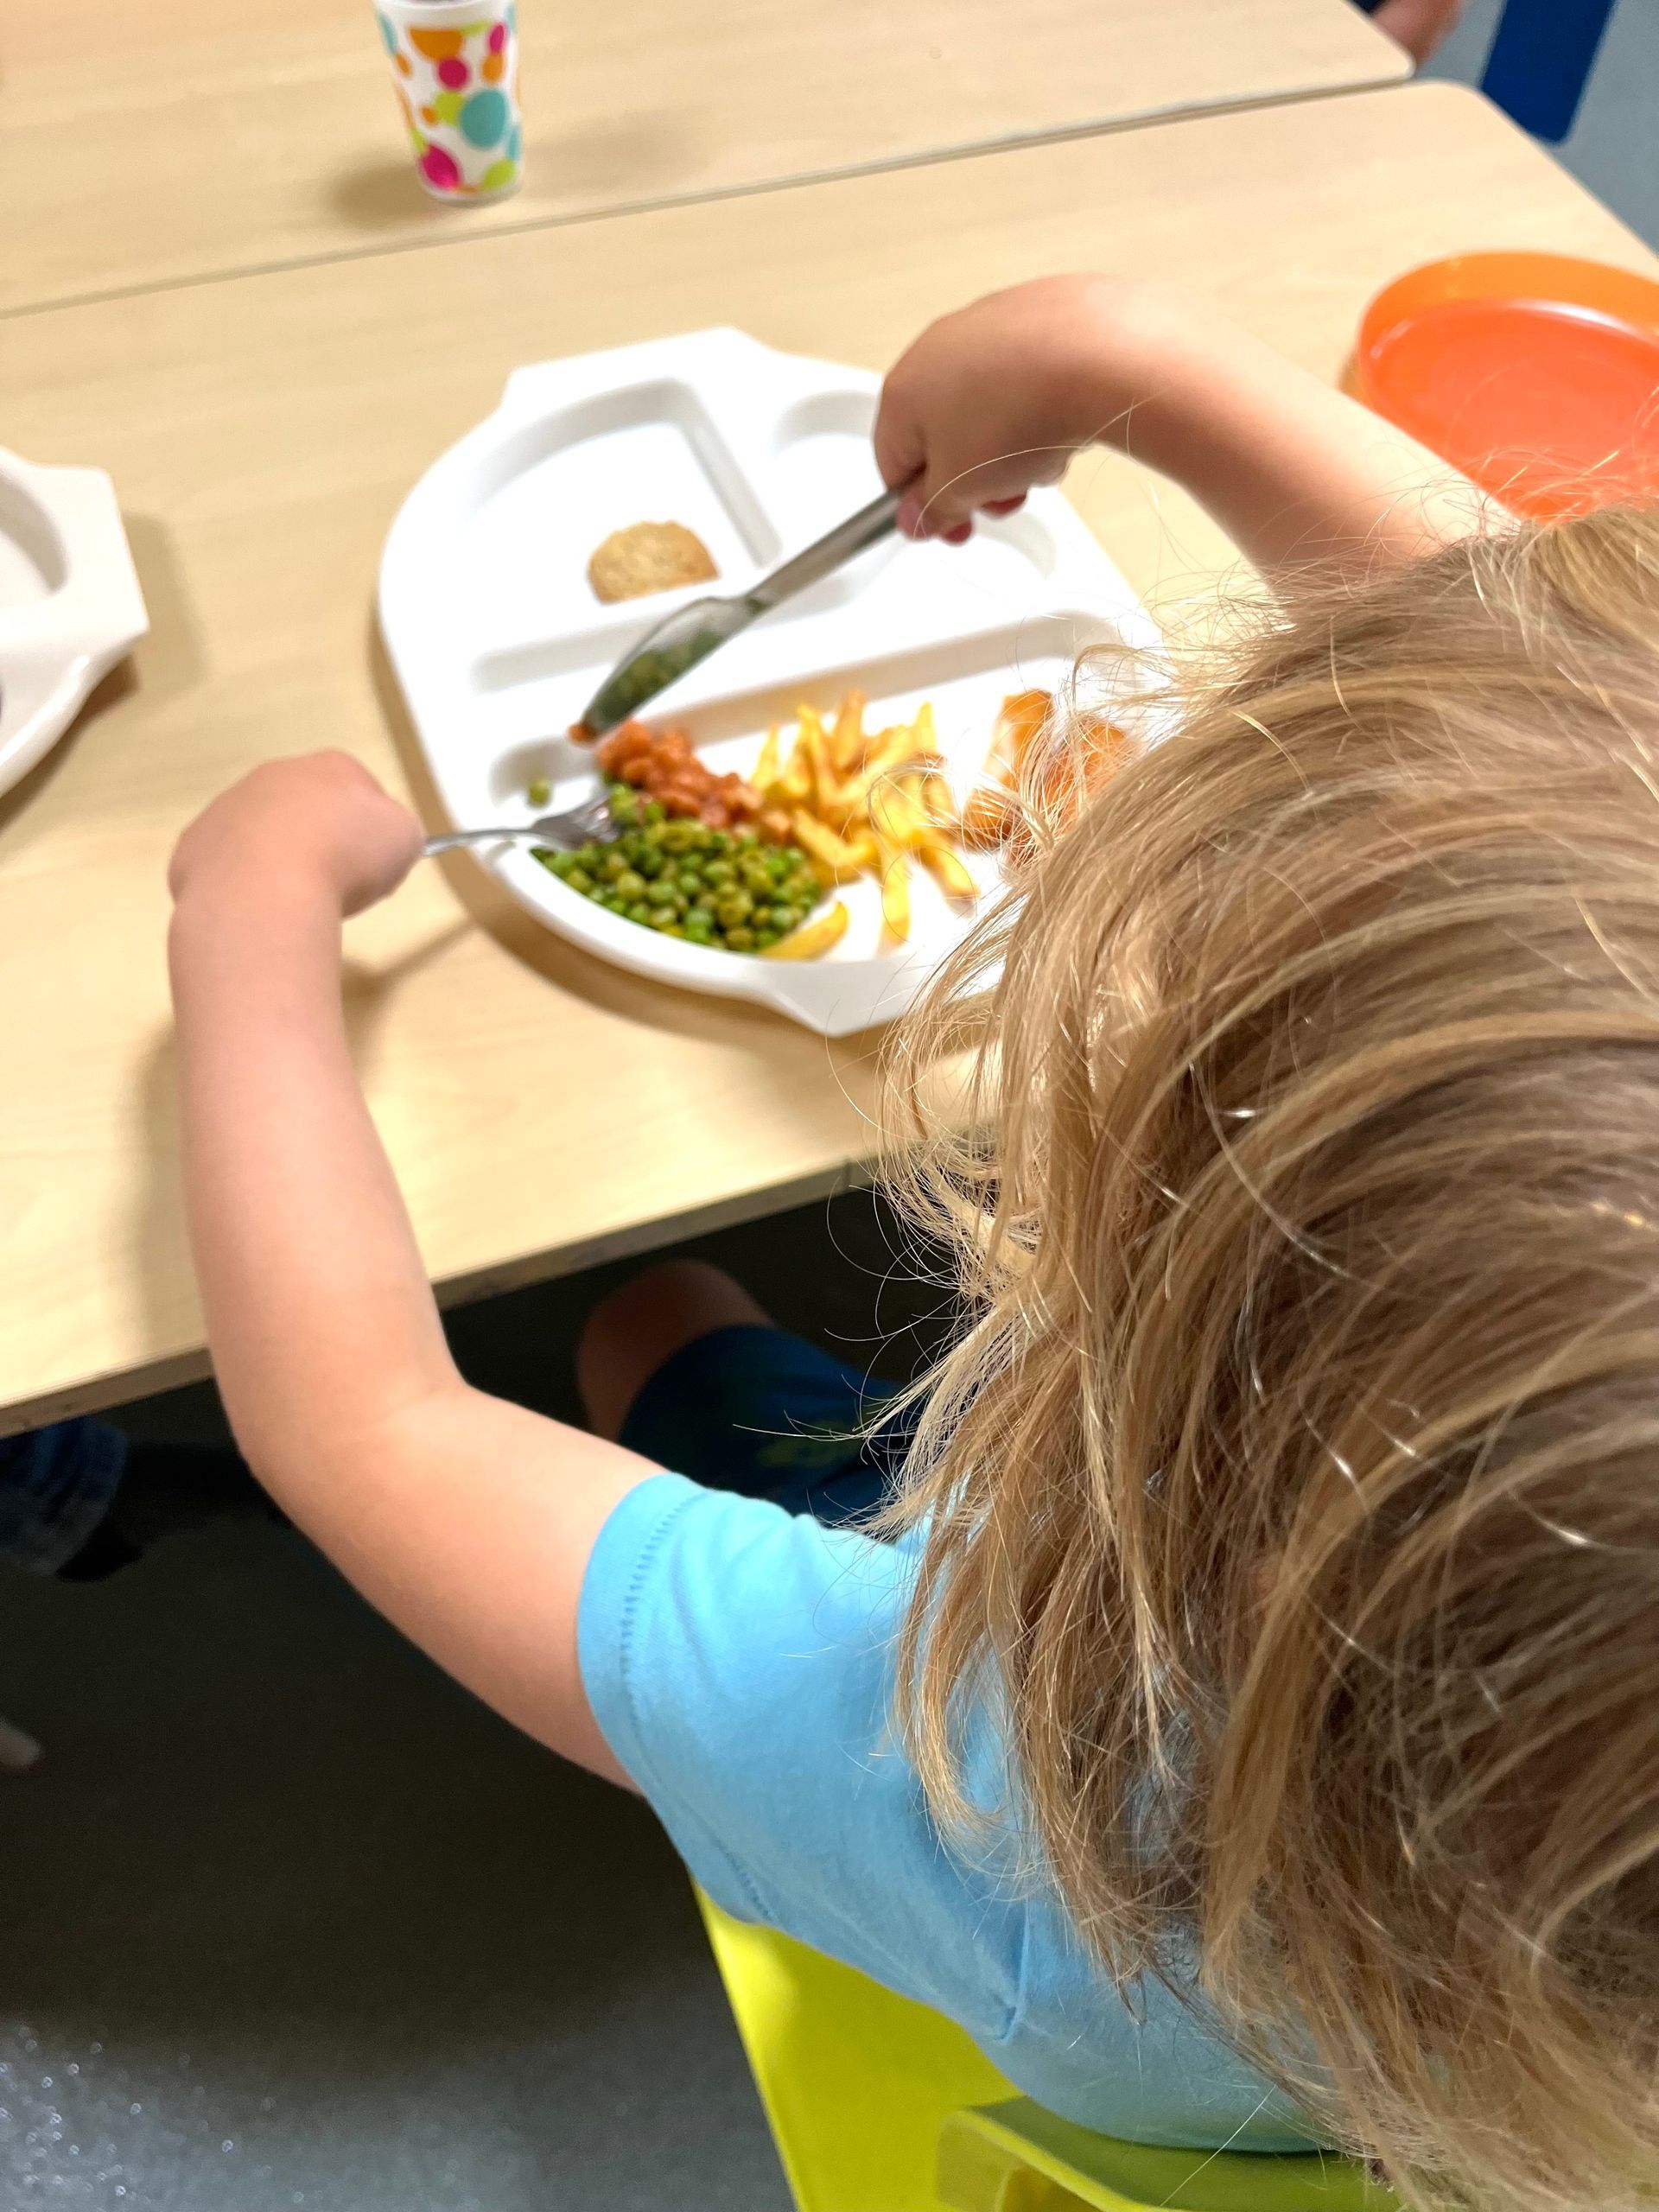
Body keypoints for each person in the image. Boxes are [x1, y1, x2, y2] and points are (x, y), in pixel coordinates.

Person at [165, 275, 1659, 2212]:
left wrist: (246, 920)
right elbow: (1552, 769)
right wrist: (1151, 367)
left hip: (1002, 1766)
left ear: (1177, 1428)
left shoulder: (1003, 1809)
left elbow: (364, 1417)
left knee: (651, 1316)